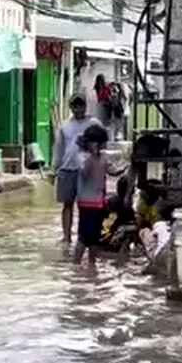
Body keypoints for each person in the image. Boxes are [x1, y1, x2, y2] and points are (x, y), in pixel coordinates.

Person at [74, 124, 122, 266]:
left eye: (96, 142)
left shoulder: (104, 158)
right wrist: (91, 157)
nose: (93, 145)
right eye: (91, 142)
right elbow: (84, 173)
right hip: (86, 203)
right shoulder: (83, 157)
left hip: (99, 203)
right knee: (83, 237)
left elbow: (112, 171)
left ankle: (92, 265)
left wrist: (125, 168)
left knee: (95, 237)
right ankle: (76, 264)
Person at [53, 95, 97, 245]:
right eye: (75, 106)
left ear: (85, 106)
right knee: (67, 204)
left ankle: (82, 238)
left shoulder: (93, 124)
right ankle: (66, 237)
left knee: (85, 206)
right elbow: (59, 148)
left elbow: (102, 145)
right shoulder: (64, 126)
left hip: (86, 170)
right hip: (67, 169)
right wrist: (55, 169)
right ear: (71, 107)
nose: (78, 108)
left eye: (81, 105)